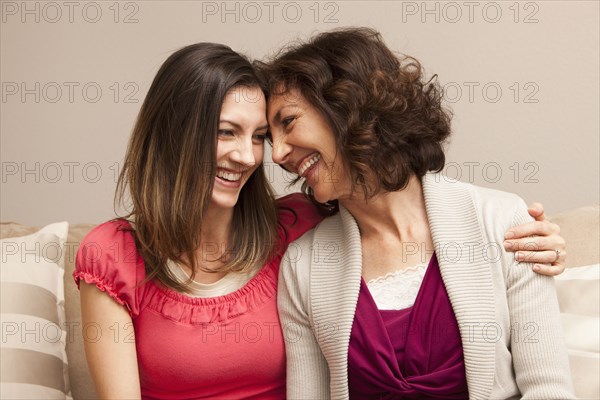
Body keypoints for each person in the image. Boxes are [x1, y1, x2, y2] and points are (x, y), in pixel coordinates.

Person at [75, 41, 566, 398]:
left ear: (347, 112)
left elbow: (548, 384)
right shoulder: (303, 248)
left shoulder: (295, 227)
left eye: (267, 134)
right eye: (227, 132)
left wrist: (533, 235)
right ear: (176, 133)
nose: (262, 156)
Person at [261, 28, 575, 399]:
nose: (278, 153)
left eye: (288, 121)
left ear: (346, 104)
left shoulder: (504, 222)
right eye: (269, 138)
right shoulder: (303, 264)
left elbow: (549, 389)